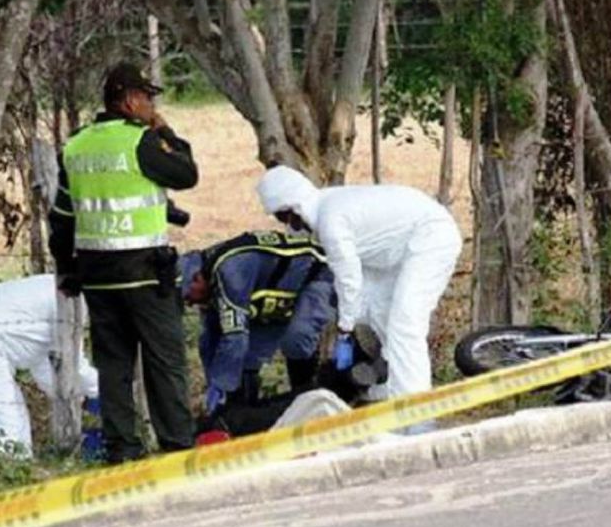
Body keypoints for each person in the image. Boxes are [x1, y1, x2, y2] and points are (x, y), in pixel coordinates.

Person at [48, 61, 197, 463]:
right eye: (148, 98)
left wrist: (66, 268)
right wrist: (163, 131)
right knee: (164, 362)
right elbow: (186, 173)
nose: (151, 104)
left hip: (97, 277)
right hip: (146, 274)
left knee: (113, 367)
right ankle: (177, 448)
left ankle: (122, 450)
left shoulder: (76, 146)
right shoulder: (141, 142)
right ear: (130, 101)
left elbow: (61, 217)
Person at [256, 166, 462, 402]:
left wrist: (345, 327)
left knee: (405, 322)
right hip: (394, 251)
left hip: (431, 237)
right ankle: (393, 386)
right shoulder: (324, 207)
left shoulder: (330, 221)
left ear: (293, 206)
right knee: (375, 311)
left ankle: (416, 409)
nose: (286, 224)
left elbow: (348, 278)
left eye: (282, 216)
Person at [181, 231, 336, 436]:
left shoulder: (229, 272)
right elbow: (211, 339)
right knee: (244, 361)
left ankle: (312, 399)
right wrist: (215, 388)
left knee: (296, 340)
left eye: (186, 296)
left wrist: (221, 386)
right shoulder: (211, 276)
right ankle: (239, 418)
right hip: (274, 287)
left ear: (196, 278)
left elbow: (235, 338)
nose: (189, 303)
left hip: (317, 275)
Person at [0, 274, 99, 458]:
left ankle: (17, 472)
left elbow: (47, 368)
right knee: (4, 421)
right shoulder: (74, 303)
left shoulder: (57, 293)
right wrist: (101, 393)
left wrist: (82, 396)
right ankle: (0, 475)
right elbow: (72, 366)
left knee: (16, 418)